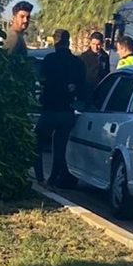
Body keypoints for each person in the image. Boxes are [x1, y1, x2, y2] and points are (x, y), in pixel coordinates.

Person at [35, 29, 86, 189]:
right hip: (67, 111)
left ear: (55, 42)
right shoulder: (78, 63)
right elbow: (82, 87)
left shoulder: (49, 60)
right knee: (60, 148)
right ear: (68, 42)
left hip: (49, 109)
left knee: (37, 144)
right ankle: (52, 180)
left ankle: (40, 178)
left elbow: (41, 80)